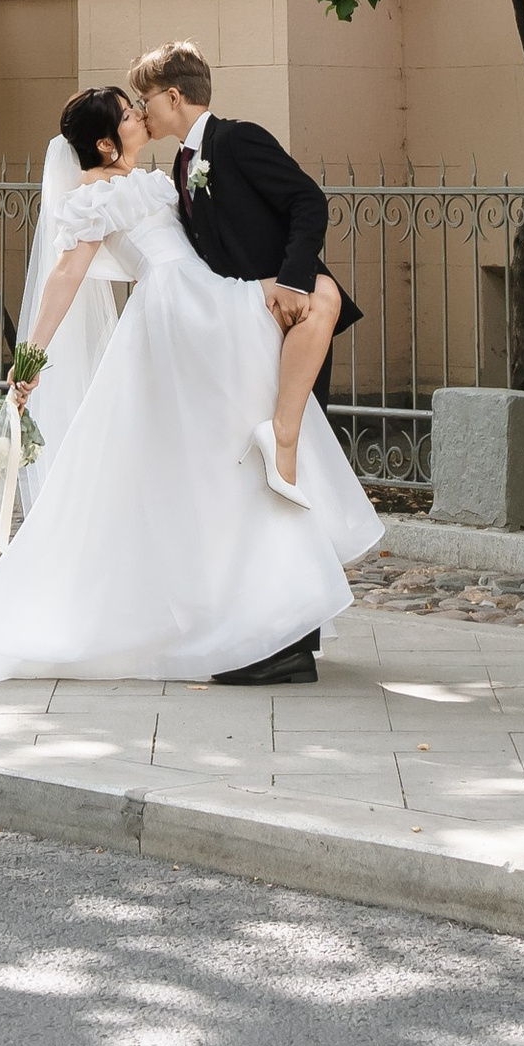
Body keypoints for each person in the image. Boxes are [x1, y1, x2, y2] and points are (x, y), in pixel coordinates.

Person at [0, 83, 380, 691]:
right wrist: (31, 354)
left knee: (224, 460)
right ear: (104, 142)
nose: (138, 115)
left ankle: (264, 613)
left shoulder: (150, 177)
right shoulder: (98, 193)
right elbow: (67, 274)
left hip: (196, 301)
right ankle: (261, 568)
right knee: (309, 312)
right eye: (126, 114)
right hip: (182, 309)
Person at [129, 34, 365, 690]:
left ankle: (287, 642)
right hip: (241, 336)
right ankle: (292, 632)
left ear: (175, 95)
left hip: (288, 327)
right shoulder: (182, 164)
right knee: (271, 479)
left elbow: (307, 201)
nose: (142, 112)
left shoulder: (235, 140)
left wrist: (292, 282)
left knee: (284, 476)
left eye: (147, 99)